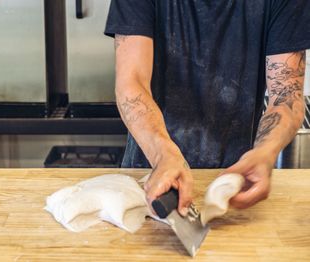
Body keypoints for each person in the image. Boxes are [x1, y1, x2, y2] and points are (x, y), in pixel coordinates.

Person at [104, 0, 310, 216]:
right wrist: (163, 154)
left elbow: (286, 97)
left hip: (234, 181)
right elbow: (131, 83)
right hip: (152, 173)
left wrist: (265, 152)